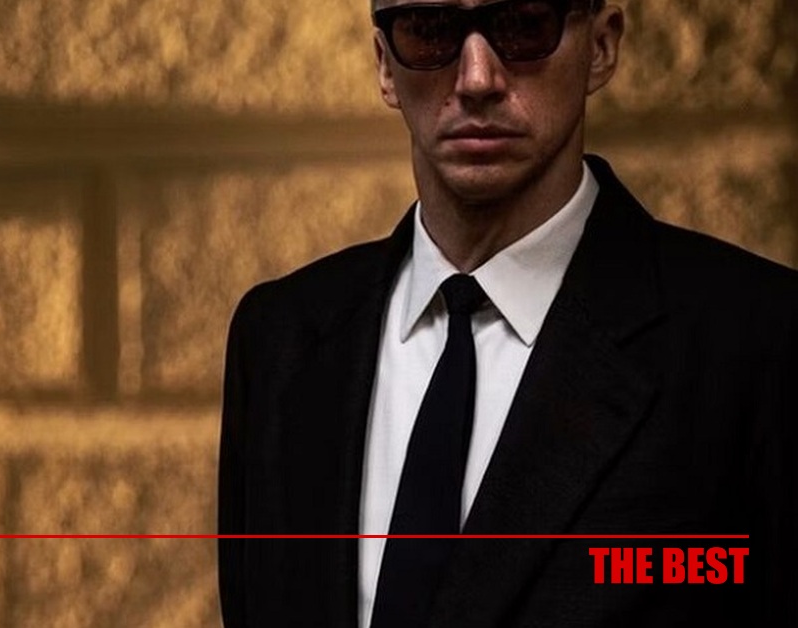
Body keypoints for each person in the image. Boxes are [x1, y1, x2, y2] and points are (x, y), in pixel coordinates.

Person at [217, 0, 798, 626]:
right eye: (430, 30)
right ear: (385, 64)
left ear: (601, 46)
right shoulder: (279, 339)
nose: (477, 79)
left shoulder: (760, 340)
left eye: (524, 25)